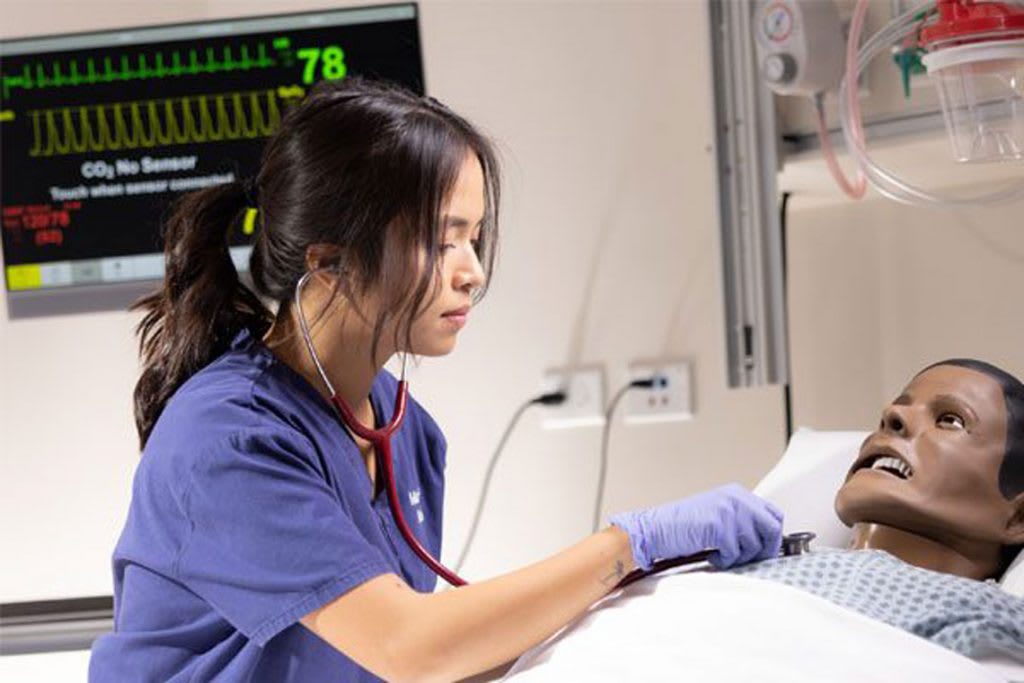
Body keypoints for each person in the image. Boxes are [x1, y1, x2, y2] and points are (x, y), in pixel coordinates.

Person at [87, 77, 783, 682]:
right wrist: (629, 544)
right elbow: (408, 646)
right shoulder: (228, 438)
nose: (472, 270)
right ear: (329, 261)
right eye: (442, 239)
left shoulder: (406, 429)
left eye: (473, 238)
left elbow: (432, 658)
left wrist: (635, 601)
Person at [730, 358, 1024, 661]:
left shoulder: (988, 618)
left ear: (1018, 518)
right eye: (899, 406)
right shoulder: (751, 561)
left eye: (950, 420)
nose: (892, 414)